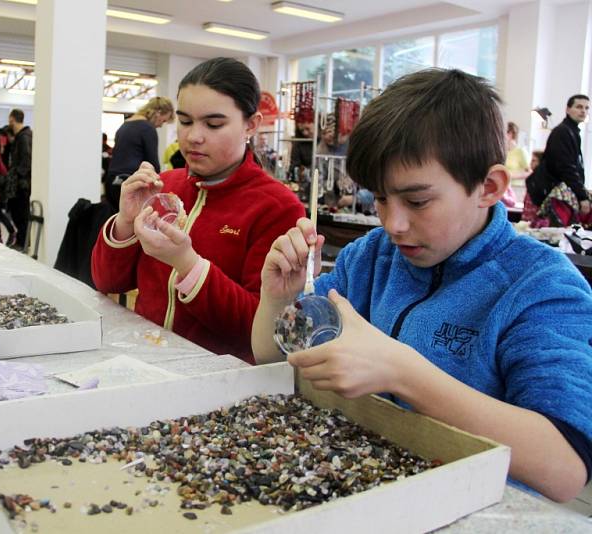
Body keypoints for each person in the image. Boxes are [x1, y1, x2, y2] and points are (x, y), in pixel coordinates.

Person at [252, 69, 592, 502]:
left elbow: (565, 469)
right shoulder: (371, 258)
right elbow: (270, 355)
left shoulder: (540, 287)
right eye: (379, 197)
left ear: (488, 187)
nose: (392, 224)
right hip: (360, 493)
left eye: (417, 201)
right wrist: (278, 298)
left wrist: (404, 372)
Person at [91, 57, 305, 363]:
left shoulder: (278, 208)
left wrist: (187, 264)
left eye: (214, 124)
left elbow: (255, 331)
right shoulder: (163, 186)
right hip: (145, 360)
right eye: (186, 121)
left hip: (217, 383)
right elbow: (108, 283)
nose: (193, 137)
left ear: (251, 124)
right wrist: (125, 221)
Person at [527, 94, 590, 225]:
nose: (583, 111)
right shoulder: (562, 132)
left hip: (559, 194)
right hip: (554, 196)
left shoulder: (572, 132)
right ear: (567, 109)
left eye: (586, 108)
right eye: (579, 107)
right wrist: (582, 196)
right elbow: (566, 167)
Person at [104, 97, 174, 208]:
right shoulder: (147, 128)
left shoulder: (125, 125)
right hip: (131, 181)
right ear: (158, 112)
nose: (161, 125)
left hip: (112, 180)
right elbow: (153, 163)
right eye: (163, 120)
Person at [6, 109, 32, 249]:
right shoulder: (24, 136)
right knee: (19, 213)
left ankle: (23, 242)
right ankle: (22, 241)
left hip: (21, 184)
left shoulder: (23, 137)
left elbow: (25, 160)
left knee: (20, 213)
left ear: (12, 119)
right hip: (22, 182)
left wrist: (18, 175)